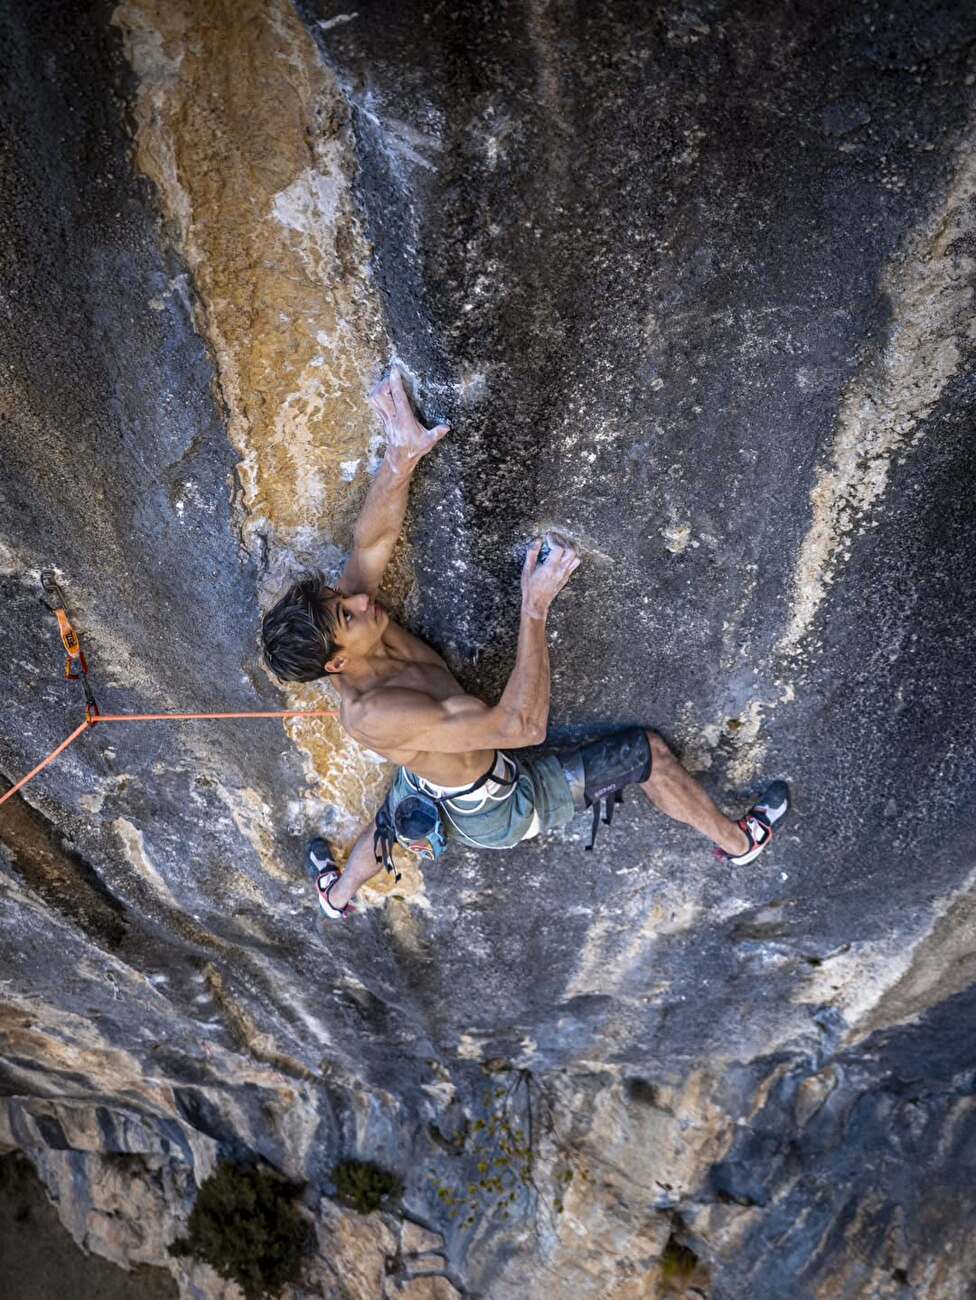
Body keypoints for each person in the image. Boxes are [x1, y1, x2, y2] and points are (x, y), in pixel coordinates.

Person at [261, 368, 789, 919]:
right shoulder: (374, 714)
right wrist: (534, 607)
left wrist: (401, 455)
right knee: (647, 755)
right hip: (499, 806)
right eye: (346, 614)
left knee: (399, 805)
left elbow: (370, 542)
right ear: (338, 662)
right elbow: (520, 728)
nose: (359, 599)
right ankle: (739, 843)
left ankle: (336, 895)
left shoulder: (351, 629)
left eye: (342, 598)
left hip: (428, 766)